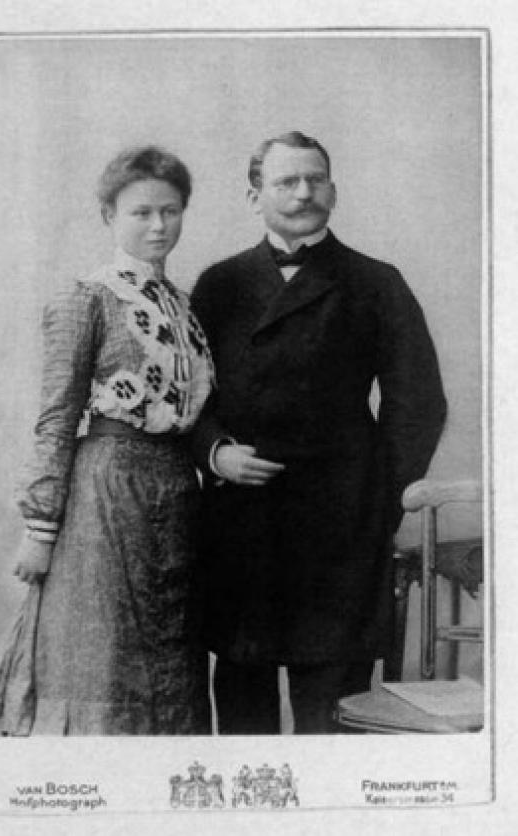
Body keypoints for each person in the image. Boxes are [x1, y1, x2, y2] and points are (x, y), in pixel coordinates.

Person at [190, 131, 447, 734]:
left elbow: (420, 401)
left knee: (333, 715)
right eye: (286, 181)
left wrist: (377, 499)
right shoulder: (218, 285)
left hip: (338, 531)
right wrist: (216, 453)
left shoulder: (376, 282)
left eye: (316, 179)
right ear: (254, 195)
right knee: (243, 709)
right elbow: (184, 396)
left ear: (334, 189)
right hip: (242, 524)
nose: (304, 192)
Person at [0, 145, 214, 735]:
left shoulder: (185, 308)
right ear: (108, 217)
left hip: (175, 492)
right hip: (106, 493)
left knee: (172, 653)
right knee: (105, 656)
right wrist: (40, 530)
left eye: (170, 212)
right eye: (141, 212)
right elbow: (55, 417)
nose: (158, 225)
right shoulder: (88, 298)